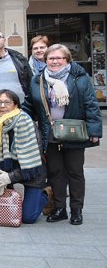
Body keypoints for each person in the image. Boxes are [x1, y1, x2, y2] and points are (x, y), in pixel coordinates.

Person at [31, 44, 102, 225]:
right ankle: (60, 208)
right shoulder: (38, 80)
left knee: (75, 172)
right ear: (45, 60)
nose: (54, 61)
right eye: (50, 58)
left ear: (67, 60)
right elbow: (30, 104)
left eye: (58, 58)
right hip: (51, 132)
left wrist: (94, 130)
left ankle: (77, 210)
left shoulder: (79, 78)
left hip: (74, 132)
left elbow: (91, 104)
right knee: (55, 172)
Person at [0, 89, 47, 224]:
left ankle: (44, 196)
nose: (2, 106)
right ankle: (10, 195)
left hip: (31, 171)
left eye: (7, 102)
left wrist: (9, 178)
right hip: (4, 168)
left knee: (28, 218)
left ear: (16, 105)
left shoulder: (27, 123)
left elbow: (34, 160)